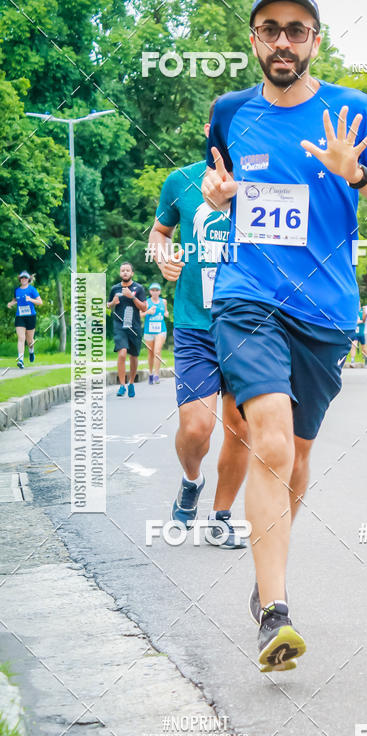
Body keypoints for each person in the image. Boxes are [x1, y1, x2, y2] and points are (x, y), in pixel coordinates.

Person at [202, 0, 367, 671]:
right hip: (247, 298)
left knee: (294, 459)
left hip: (324, 313)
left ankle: (264, 576)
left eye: (297, 31)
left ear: (316, 41)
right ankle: (276, 612)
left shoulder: (353, 111)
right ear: (253, 39)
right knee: (266, 433)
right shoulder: (229, 113)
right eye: (270, 30)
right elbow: (219, 183)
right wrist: (216, 196)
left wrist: (356, 175)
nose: (283, 42)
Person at [149, 102, 250, 550]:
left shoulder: (265, 185)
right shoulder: (180, 181)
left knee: (241, 427)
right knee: (195, 429)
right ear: (208, 129)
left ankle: (222, 516)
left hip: (250, 324)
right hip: (195, 323)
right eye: (219, 124)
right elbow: (159, 232)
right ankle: (191, 481)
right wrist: (161, 256)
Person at [107, 263, 146, 397]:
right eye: (123, 270)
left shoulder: (138, 288)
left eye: (127, 270)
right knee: (122, 353)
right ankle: (122, 385)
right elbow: (108, 305)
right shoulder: (115, 288)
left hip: (134, 326)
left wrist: (132, 297)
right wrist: (112, 303)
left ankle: (131, 383)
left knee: (134, 356)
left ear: (132, 273)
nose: (125, 272)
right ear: (120, 273)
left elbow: (144, 308)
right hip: (119, 326)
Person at [7, 271, 42, 368]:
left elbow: (40, 302)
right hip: (20, 316)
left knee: (30, 340)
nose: (23, 279)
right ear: (20, 279)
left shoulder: (32, 289)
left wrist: (30, 299)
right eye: (22, 278)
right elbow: (15, 300)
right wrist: (11, 303)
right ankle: (21, 360)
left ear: (28, 279)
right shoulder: (17, 290)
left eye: (25, 278)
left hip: (31, 316)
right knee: (21, 338)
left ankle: (31, 352)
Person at [143, 283, 168, 384]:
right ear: (150, 292)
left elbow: (166, 312)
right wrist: (148, 312)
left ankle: (157, 375)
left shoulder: (164, 301)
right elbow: (140, 314)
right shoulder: (146, 302)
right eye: (153, 290)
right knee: (150, 353)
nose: (155, 292)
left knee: (157, 351)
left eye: (157, 290)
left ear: (159, 292)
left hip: (160, 330)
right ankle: (150, 373)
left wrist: (166, 313)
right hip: (149, 330)